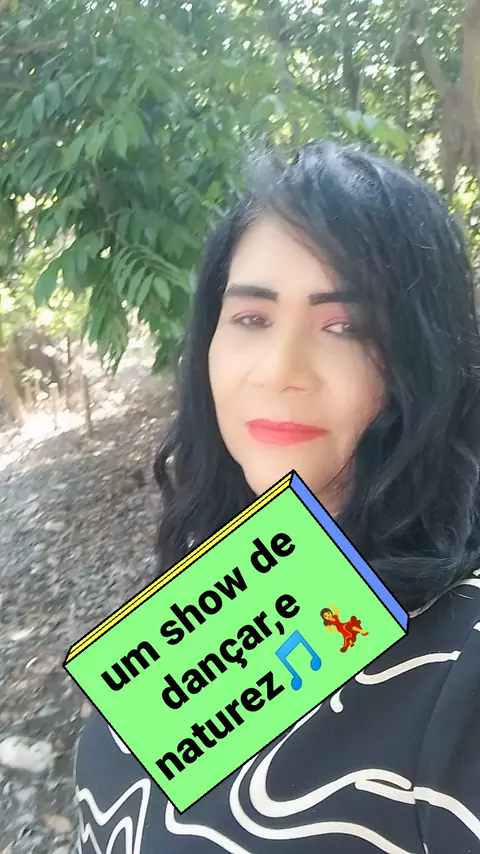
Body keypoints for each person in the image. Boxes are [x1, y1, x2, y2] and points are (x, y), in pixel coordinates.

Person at [73, 140, 480, 853]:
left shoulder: (462, 662)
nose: (279, 369)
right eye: (252, 319)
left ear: (423, 359)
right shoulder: (240, 573)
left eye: (345, 327)